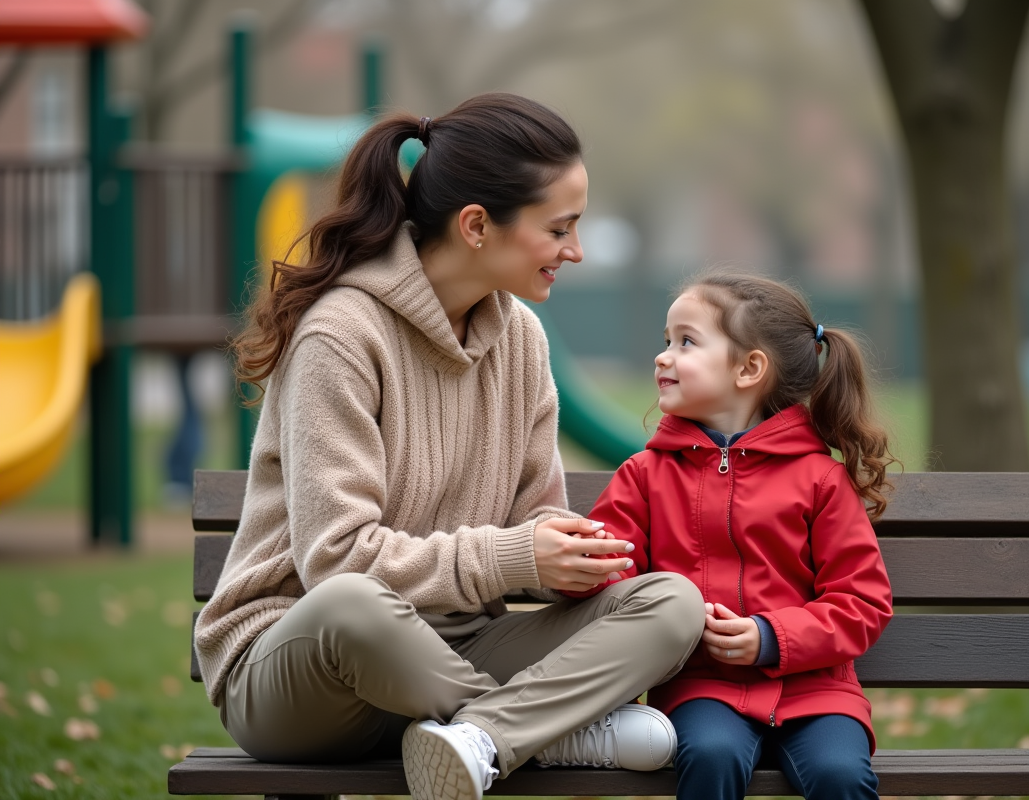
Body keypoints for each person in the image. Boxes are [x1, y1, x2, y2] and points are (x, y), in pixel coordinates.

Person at [193, 93, 705, 800]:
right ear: (475, 225)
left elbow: (530, 529)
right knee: (354, 604)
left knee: (670, 603)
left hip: (452, 654)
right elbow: (335, 560)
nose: (575, 251)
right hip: (308, 668)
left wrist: (564, 560)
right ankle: (540, 733)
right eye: (559, 228)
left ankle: (485, 735)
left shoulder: (521, 340)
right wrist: (515, 556)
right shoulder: (340, 336)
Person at [569, 273, 895, 800]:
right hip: (703, 687)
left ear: (749, 368)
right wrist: (584, 569)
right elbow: (616, 573)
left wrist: (769, 637)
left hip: (818, 692)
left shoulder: (820, 479)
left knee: (840, 774)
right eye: (665, 340)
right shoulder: (645, 474)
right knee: (710, 756)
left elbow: (862, 602)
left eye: (686, 341)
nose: (663, 356)